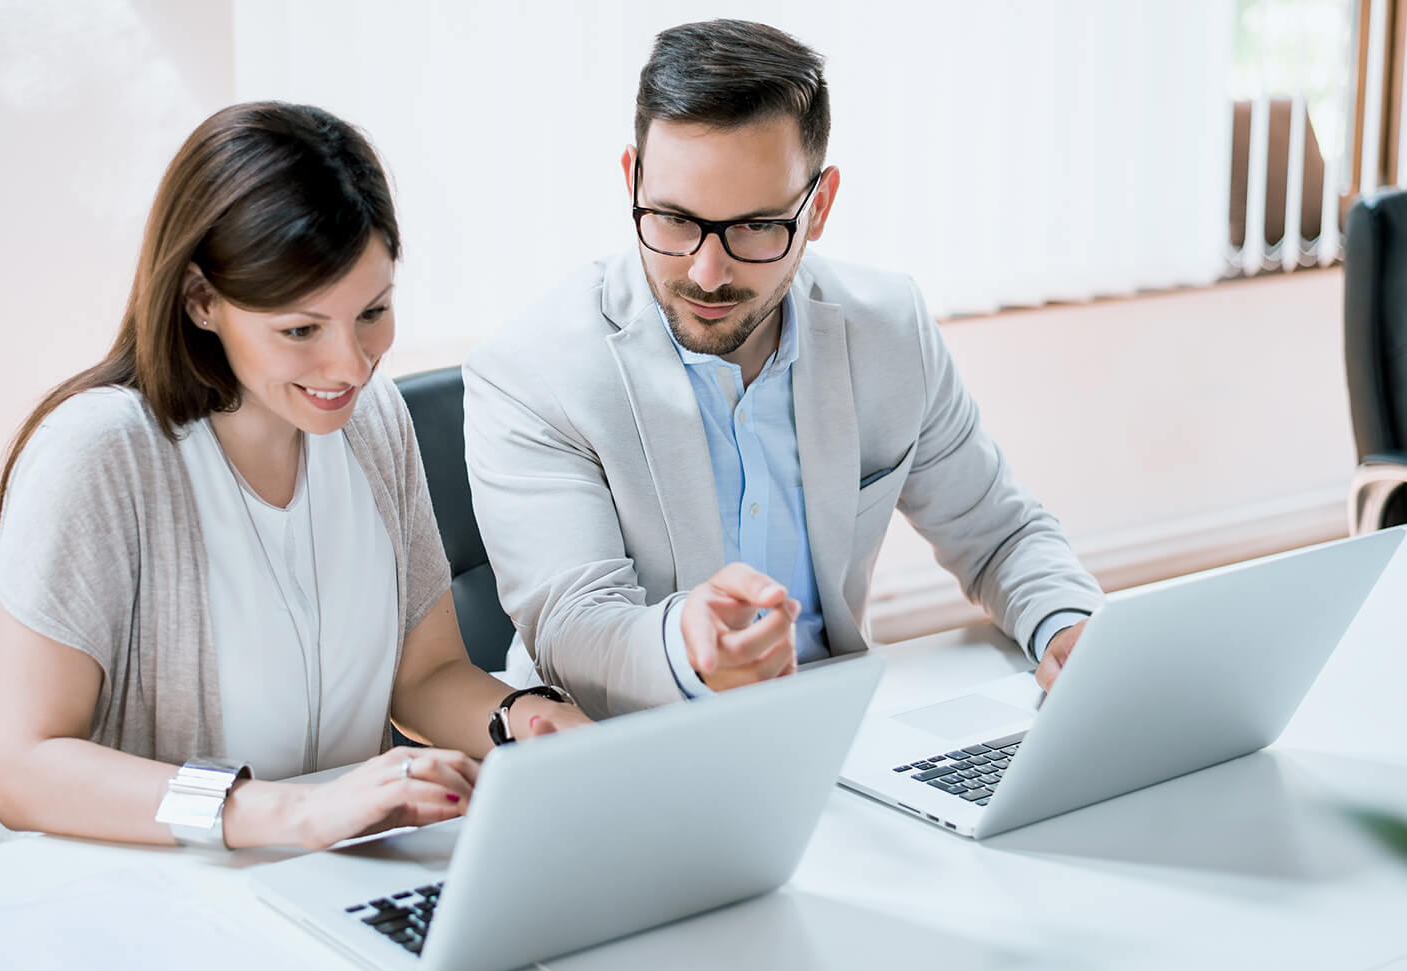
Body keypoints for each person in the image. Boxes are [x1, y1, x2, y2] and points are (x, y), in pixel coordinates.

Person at [0, 102, 588, 852]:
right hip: (105, 903)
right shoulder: (101, 455)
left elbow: (426, 675)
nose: (350, 364)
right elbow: (21, 764)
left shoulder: (374, 422)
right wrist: (278, 814)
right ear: (202, 301)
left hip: (309, 882)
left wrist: (524, 719)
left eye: (373, 312)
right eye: (301, 330)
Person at [462, 20, 1105, 719]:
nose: (707, 273)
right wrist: (686, 644)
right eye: (674, 219)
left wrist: (1065, 623)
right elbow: (573, 629)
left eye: (755, 227)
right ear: (632, 179)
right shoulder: (533, 369)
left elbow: (999, 534)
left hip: (835, 735)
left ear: (818, 206)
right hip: (625, 747)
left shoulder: (887, 329)